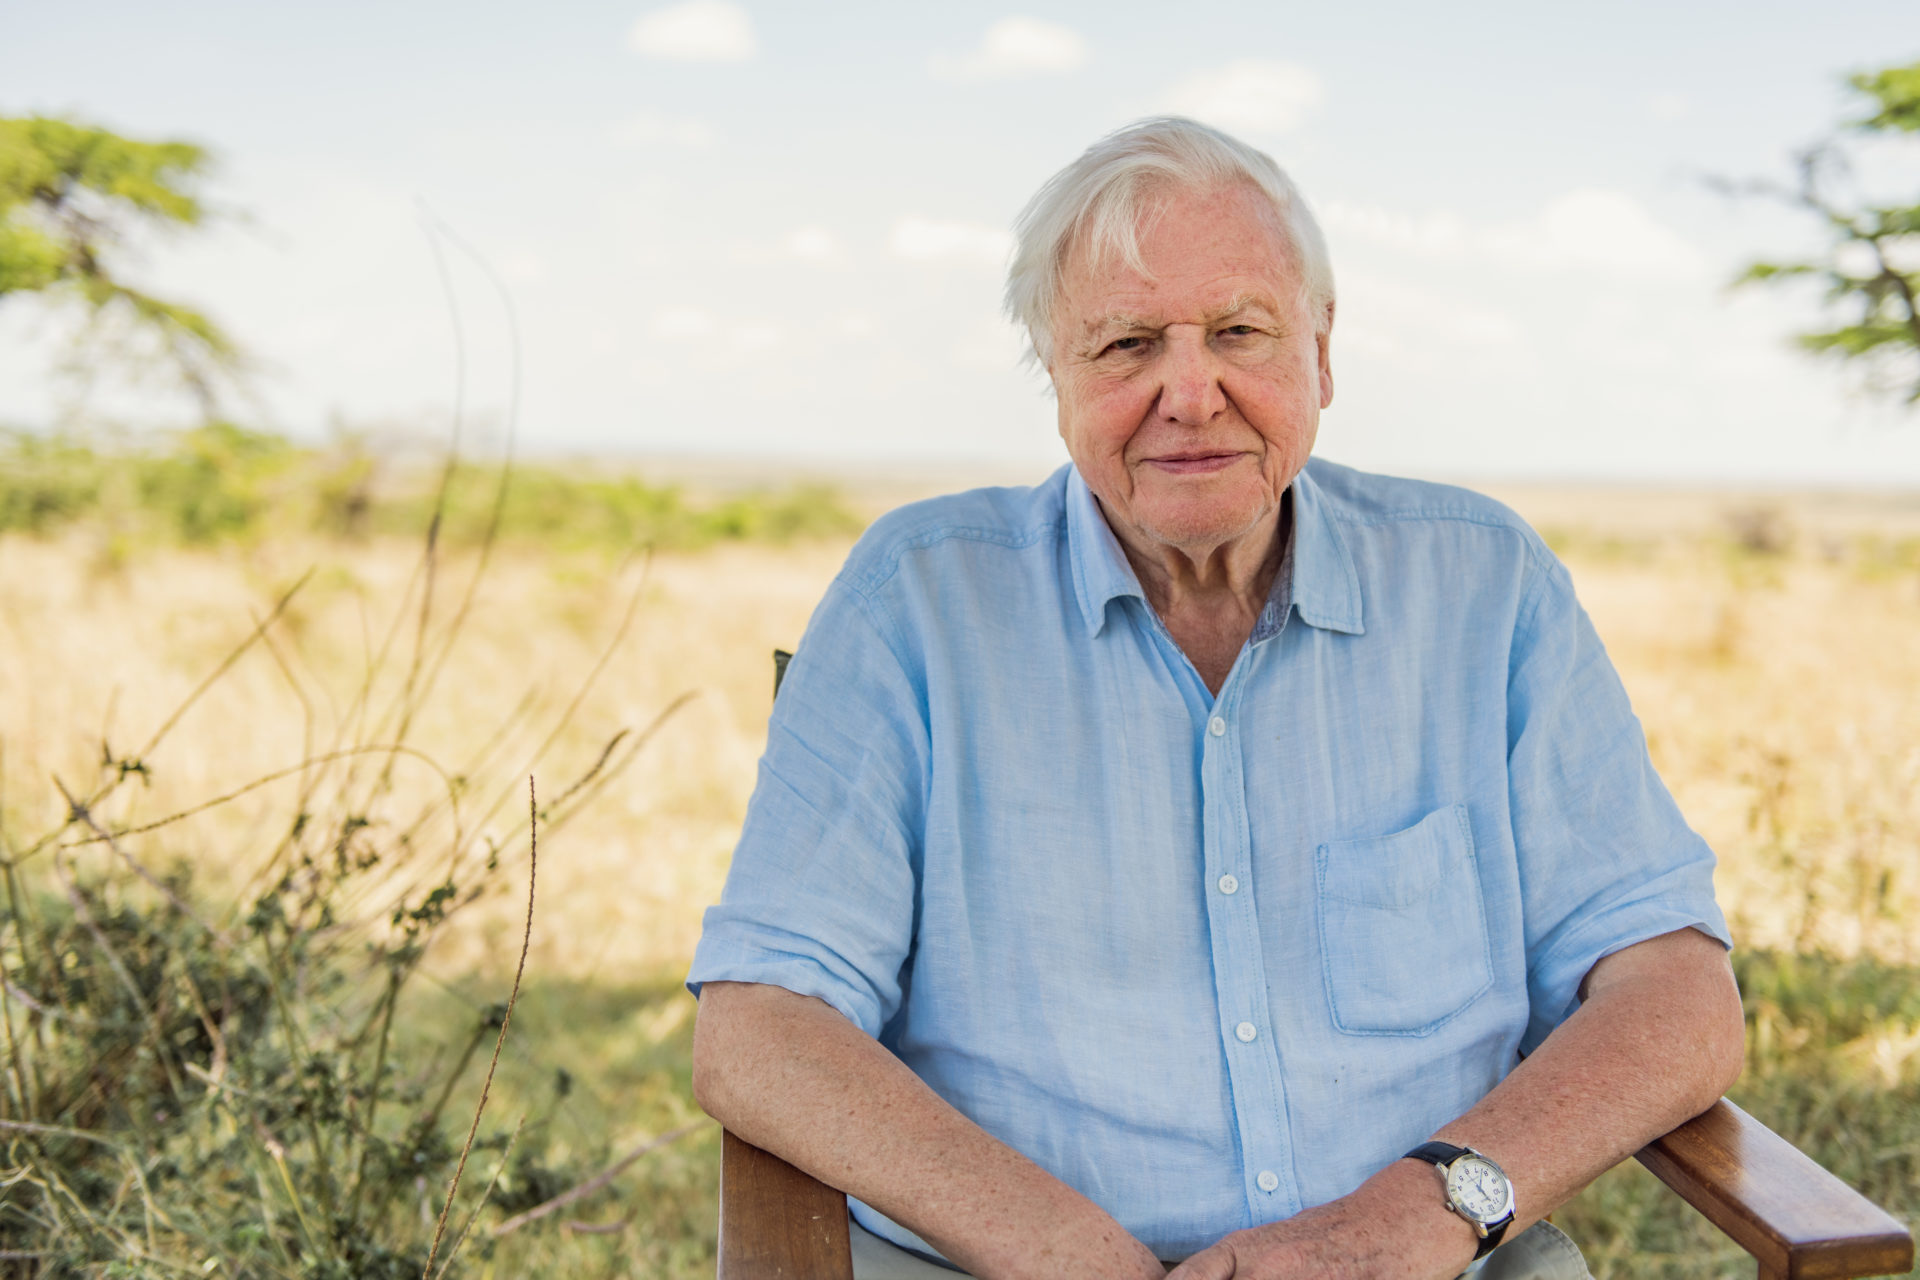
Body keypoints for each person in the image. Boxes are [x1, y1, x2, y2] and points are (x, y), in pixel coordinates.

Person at [686, 117, 1744, 1280]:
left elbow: (1677, 992)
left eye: (1240, 331)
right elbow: (761, 1025)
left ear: (1322, 353)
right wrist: (1063, 1248)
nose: (1191, 393)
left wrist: (1419, 1214)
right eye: (1128, 344)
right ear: (1056, 374)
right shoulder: (914, 604)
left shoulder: (1486, 586)